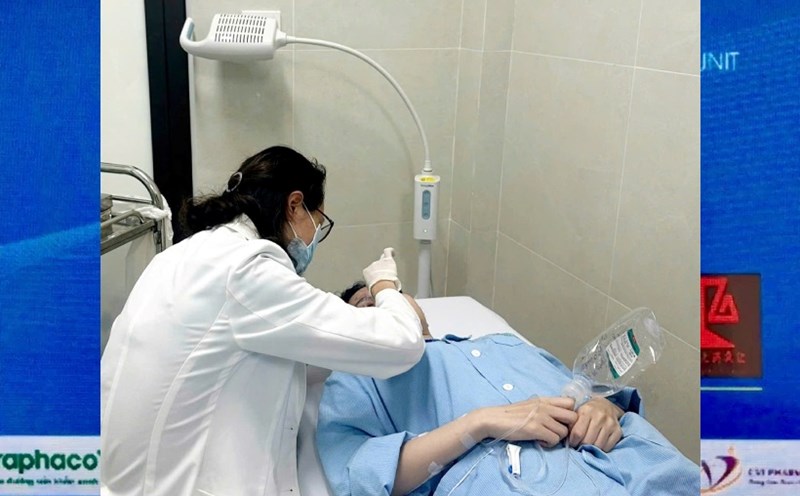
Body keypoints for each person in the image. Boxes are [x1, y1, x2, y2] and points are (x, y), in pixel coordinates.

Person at [100, 146, 425, 496]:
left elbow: (275, 345)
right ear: (294, 204)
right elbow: (402, 344)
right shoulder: (246, 269)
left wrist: (350, 322)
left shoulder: (183, 254)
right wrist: (385, 285)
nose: (314, 237)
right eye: (318, 223)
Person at [316, 282, 699, 496]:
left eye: (392, 294)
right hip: (517, 481)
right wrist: (477, 424)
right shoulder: (358, 379)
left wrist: (607, 408)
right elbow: (360, 479)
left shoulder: (504, 342)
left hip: (631, 457)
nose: (387, 303)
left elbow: (580, 387)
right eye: (367, 303)